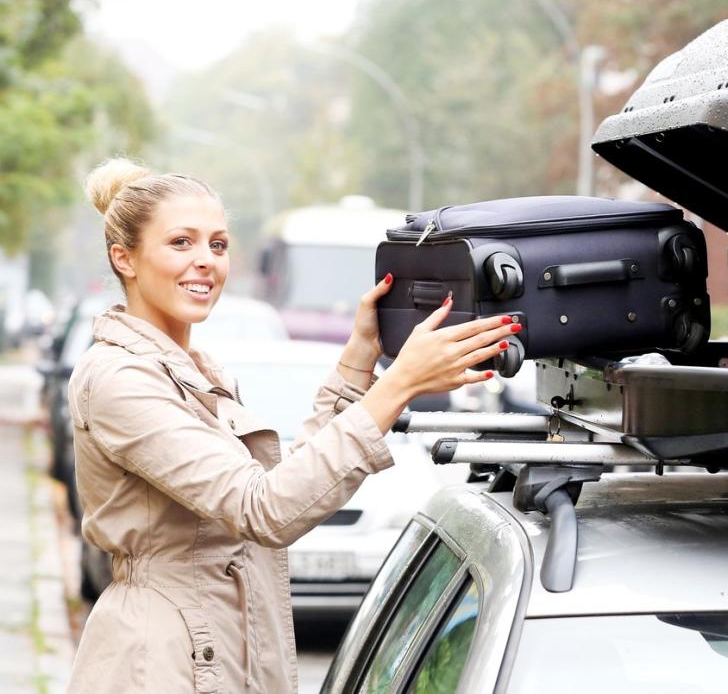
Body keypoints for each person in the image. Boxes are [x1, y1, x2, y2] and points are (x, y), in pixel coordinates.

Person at [65, 158, 517, 693]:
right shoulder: (120, 378)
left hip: (217, 646)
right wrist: (401, 386)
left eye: (217, 244)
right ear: (126, 259)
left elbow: (286, 480)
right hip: (163, 663)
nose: (205, 261)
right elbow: (264, 510)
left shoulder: (194, 369)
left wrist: (360, 357)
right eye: (180, 243)